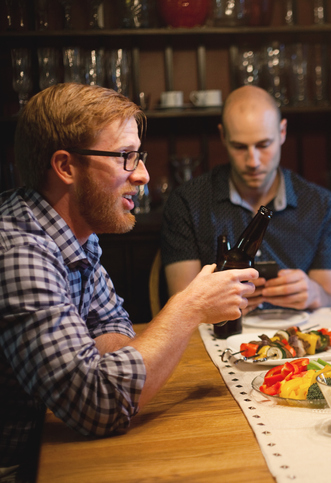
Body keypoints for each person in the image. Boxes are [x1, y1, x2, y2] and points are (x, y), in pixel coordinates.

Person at [0, 83, 257, 481]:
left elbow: (112, 325)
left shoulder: (74, 232)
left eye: (138, 156)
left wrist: (111, 369)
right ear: (66, 167)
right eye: (125, 157)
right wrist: (188, 307)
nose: (143, 174)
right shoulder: (18, 249)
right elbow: (98, 405)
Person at [161, 85, 331, 312]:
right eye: (239, 147)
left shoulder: (321, 205)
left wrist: (315, 294)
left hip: (297, 337)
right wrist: (215, 305)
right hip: (218, 337)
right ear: (223, 137)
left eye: (263, 145)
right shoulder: (188, 202)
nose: (253, 161)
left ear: (283, 132)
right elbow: (180, 308)